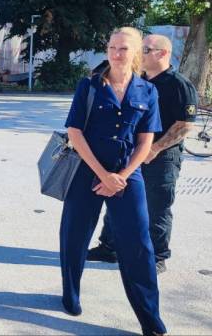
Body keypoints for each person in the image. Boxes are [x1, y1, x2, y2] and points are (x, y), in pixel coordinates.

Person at [61, 27, 166, 334]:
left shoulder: (148, 91)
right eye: (112, 47)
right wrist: (101, 173)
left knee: (139, 245)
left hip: (126, 176)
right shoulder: (90, 86)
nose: (116, 53)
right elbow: (75, 133)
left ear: (135, 53)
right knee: (74, 235)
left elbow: (146, 141)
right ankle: (71, 295)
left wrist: (120, 176)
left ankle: (150, 318)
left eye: (123, 48)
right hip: (87, 170)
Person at [87, 34, 198, 274]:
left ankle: (157, 256)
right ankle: (110, 247)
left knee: (157, 207)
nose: (140, 54)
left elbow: (185, 125)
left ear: (163, 53)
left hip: (161, 158)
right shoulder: (137, 80)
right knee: (117, 197)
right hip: (129, 153)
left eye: (145, 50)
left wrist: (155, 148)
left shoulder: (179, 85)